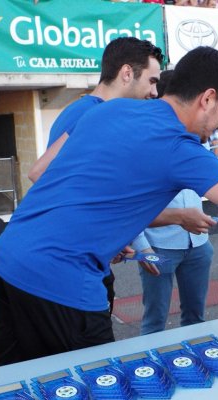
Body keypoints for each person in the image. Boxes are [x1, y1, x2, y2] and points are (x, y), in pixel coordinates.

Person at [0, 46, 218, 367]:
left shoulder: (106, 109)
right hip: (63, 277)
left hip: (6, 259)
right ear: (207, 98)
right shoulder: (180, 148)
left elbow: (47, 173)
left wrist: (109, 234)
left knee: (17, 390)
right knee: (91, 397)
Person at [26, 37, 163, 315]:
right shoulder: (93, 114)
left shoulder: (85, 111)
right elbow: (43, 176)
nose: (155, 92)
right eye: (152, 81)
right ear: (127, 73)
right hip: (73, 269)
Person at [131, 70, 215, 336]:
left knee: (195, 319)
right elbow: (129, 203)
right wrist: (142, 246)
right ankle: (152, 375)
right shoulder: (141, 143)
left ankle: (192, 370)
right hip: (159, 246)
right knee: (155, 322)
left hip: (199, 245)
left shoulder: (197, 138)